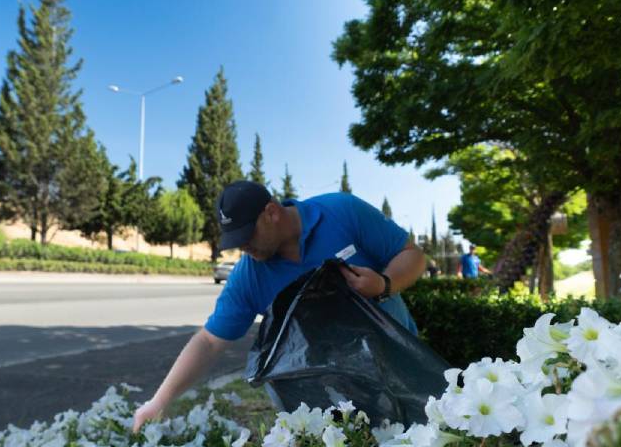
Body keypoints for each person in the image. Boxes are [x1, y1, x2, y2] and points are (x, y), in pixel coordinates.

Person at [132, 180, 427, 432]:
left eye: (247, 236)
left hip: (401, 362)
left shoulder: (342, 212)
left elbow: (412, 255)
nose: (243, 248)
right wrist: (159, 402)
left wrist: (384, 284)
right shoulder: (249, 275)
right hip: (334, 395)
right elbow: (209, 342)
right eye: (236, 242)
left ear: (271, 212)